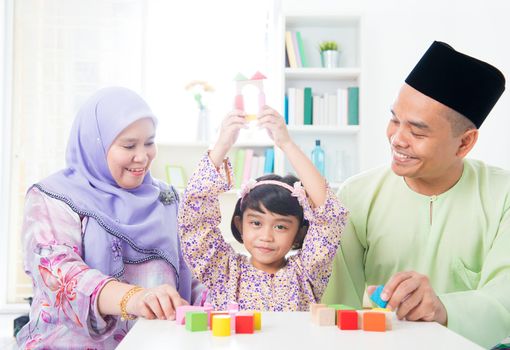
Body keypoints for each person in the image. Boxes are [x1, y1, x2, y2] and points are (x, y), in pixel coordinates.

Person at [322, 41, 509, 348]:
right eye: (395, 119)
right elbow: (338, 305)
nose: (397, 139)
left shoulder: (504, 196)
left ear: (464, 143)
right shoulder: (356, 196)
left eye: (418, 132)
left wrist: (443, 309)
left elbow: (505, 298)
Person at [17, 87, 205, 349]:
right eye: (129, 145)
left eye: (149, 142)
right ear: (96, 143)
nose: (143, 157)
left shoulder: (167, 199)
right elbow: (61, 276)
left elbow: (194, 274)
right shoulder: (52, 198)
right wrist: (135, 298)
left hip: (159, 343)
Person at [178, 106, 348, 311]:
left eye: (281, 227)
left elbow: (330, 215)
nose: (266, 236)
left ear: (299, 232)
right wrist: (222, 144)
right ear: (240, 224)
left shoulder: (307, 273)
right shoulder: (223, 270)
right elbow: (195, 212)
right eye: (256, 223)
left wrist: (286, 144)